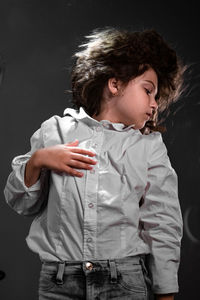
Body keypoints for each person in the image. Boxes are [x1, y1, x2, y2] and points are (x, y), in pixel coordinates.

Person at [4, 27, 185, 300]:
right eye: (148, 91)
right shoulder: (55, 131)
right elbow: (20, 202)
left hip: (123, 281)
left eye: (157, 97)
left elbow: (162, 221)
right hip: (59, 283)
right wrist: (38, 160)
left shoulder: (149, 147)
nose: (154, 104)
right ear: (115, 84)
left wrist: (165, 292)